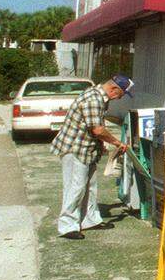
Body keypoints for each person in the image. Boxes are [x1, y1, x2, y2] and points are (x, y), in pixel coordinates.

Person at [50, 74, 134, 240]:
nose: (120, 98)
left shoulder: (101, 98)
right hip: (75, 148)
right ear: (114, 89)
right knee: (75, 187)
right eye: (121, 94)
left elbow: (94, 127)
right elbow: (98, 130)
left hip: (87, 148)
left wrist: (100, 144)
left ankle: (89, 219)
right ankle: (67, 226)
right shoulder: (93, 99)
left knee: (90, 186)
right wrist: (117, 143)